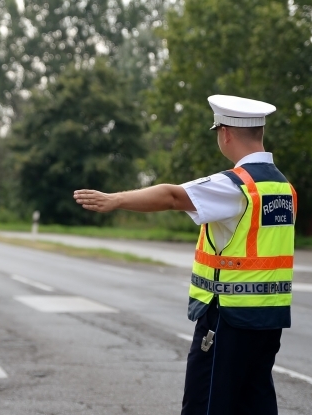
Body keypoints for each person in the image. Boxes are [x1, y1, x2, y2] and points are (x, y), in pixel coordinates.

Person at [73, 95, 296, 415]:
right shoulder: (282, 188)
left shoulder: (236, 186)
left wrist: (116, 199)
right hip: (268, 320)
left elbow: (173, 196)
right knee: (254, 404)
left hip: (228, 317)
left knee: (205, 405)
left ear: (226, 133)